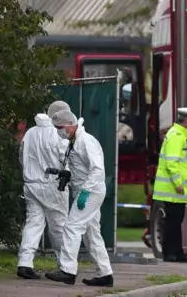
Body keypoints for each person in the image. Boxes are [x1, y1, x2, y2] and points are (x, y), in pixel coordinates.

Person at [44, 110, 114, 287]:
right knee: (91, 234)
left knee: (72, 226)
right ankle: (105, 274)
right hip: (86, 190)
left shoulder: (86, 141)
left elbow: (97, 170)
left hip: (90, 192)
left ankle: (67, 271)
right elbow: (80, 167)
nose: (58, 131)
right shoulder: (74, 141)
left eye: (60, 127)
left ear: (70, 125)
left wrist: (85, 192)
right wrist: (67, 174)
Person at [16, 101, 71, 280]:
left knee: (33, 223)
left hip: (31, 184)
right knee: (59, 227)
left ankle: (24, 262)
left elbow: (22, 156)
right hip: (53, 186)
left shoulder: (31, 133)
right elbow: (67, 160)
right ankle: (66, 266)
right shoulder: (58, 135)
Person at [152, 107, 187, 263]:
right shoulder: (176, 135)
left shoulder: (182, 135)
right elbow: (171, 163)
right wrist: (178, 183)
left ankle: (177, 252)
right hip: (172, 189)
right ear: (186, 120)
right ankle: (170, 253)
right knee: (173, 221)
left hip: (176, 190)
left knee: (176, 220)